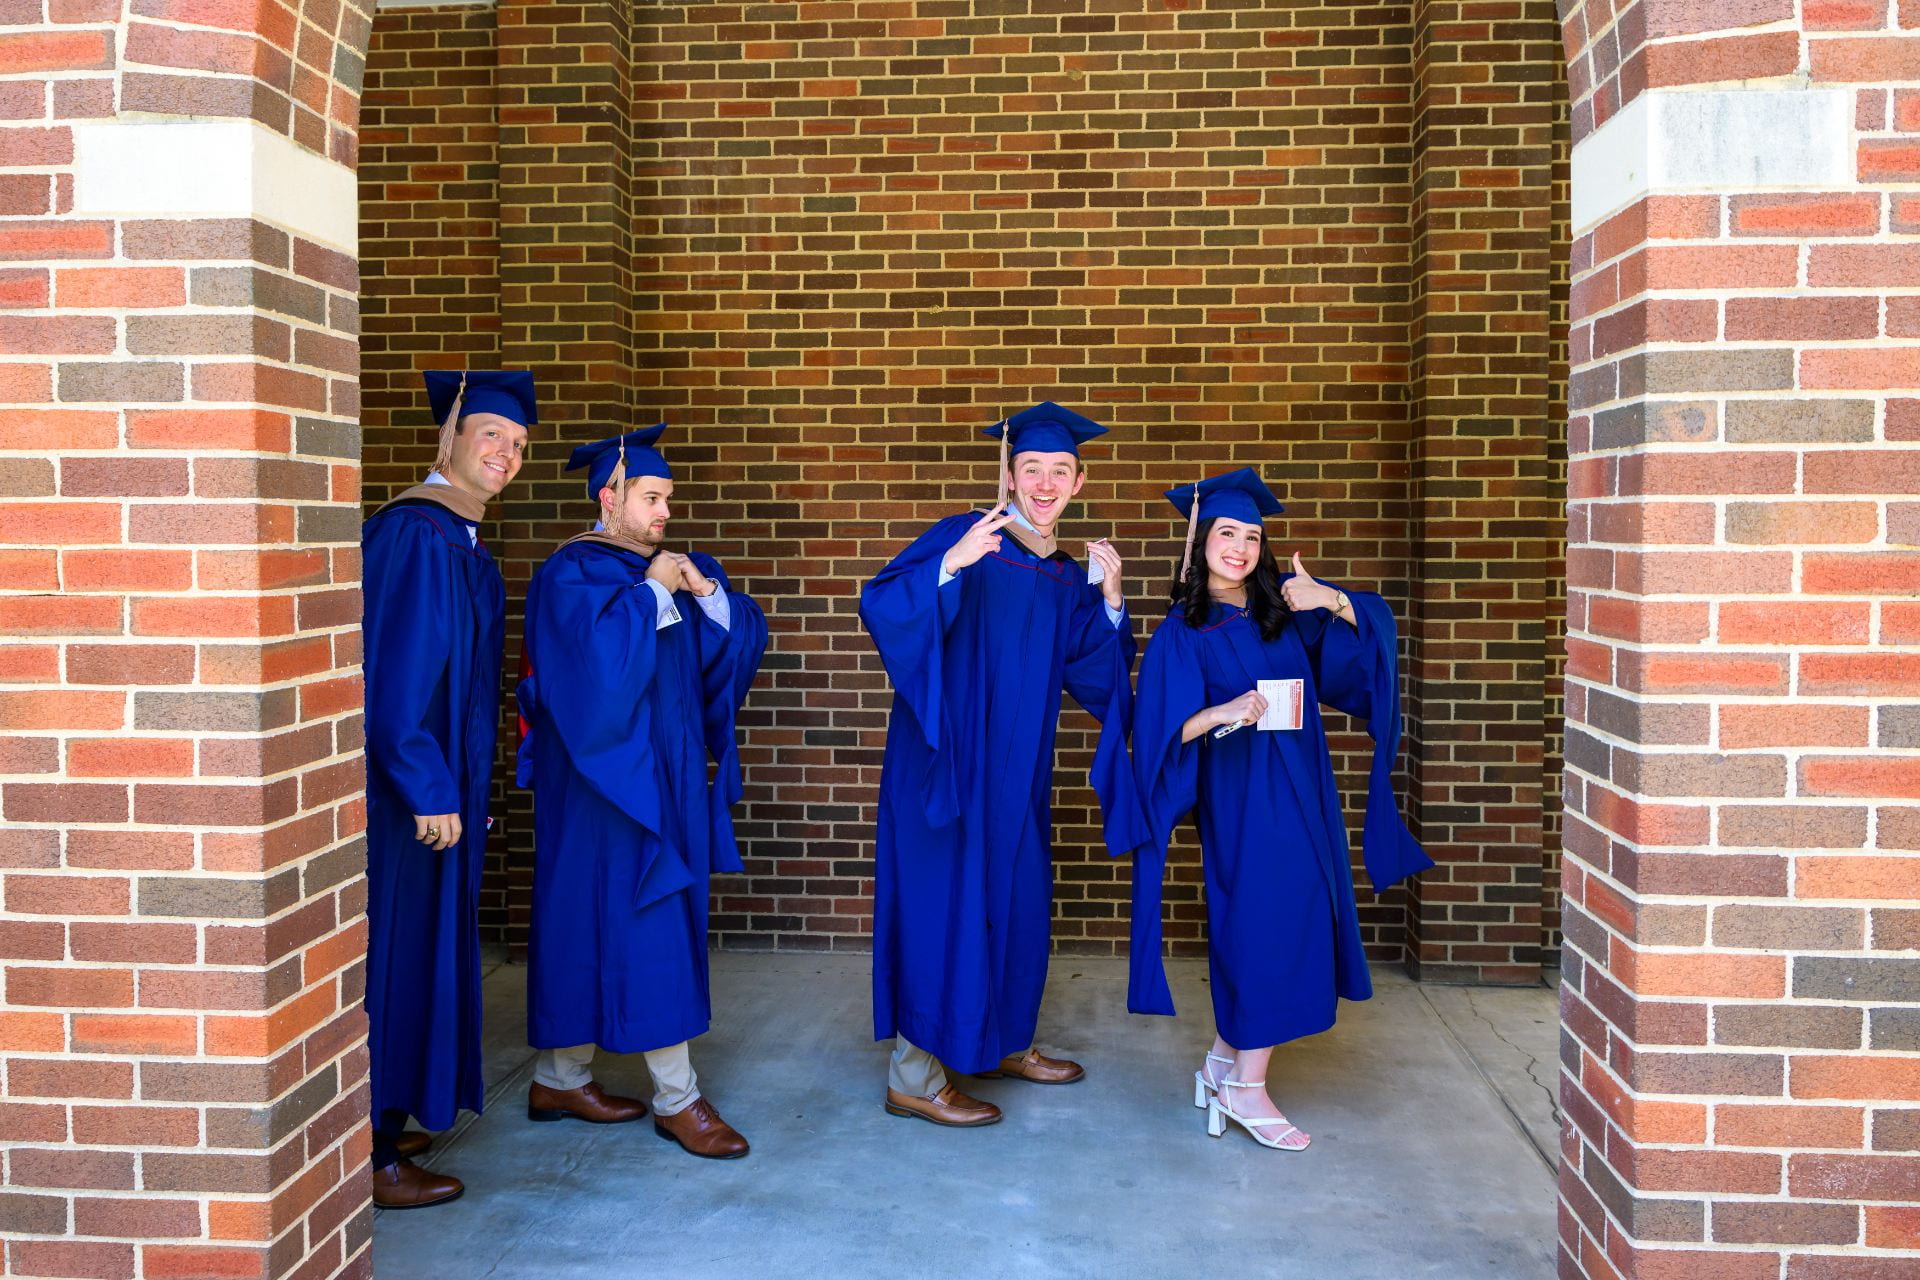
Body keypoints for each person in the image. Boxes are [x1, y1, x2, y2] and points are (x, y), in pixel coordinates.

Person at [857, 402, 1149, 1127]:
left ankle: (1001, 1040)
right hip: (948, 767)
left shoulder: (1063, 575)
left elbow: (1096, 673)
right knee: (944, 904)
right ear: (1009, 476)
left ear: (1079, 482)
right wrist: (949, 568)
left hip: (1017, 780)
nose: (1045, 484)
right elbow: (884, 604)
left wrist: (1112, 601)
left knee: (1016, 900)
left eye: (1060, 471)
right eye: (1032, 469)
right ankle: (913, 1077)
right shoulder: (967, 536)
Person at [1125, 468, 1432, 1151]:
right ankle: (1246, 1088)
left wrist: (1331, 598)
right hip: (1243, 799)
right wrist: (1223, 710)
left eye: (1252, 536)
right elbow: (1158, 733)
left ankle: (1221, 1065)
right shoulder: (1183, 630)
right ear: (1200, 541)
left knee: (1285, 917)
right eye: (1226, 533)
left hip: (1305, 790)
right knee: (1264, 923)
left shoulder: (1283, 615)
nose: (1239, 547)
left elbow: (1368, 648)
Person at [516, 425, 767, 1159]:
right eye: (651, 498)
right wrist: (654, 591)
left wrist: (707, 593)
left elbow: (729, 651)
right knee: (628, 921)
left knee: (611, 922)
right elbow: (589, 680)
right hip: (604, 787)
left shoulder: (673, 570)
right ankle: (677, 1098)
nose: (664, 512)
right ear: (610, 497)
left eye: (667, 498)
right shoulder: (571, 573)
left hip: (668, 777)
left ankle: (560, 1078)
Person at [361, 369, 535, 1207]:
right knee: (396, 959)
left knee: (424, 956)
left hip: (438, 793)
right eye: (491, 433)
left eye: (518, 443)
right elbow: (395, 678)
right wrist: (430, 787)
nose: (506, 452)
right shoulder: (417, 533)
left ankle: (391, 1113)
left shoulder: (461, 539)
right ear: (451, 437)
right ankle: (370, 1148)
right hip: (406, 802)